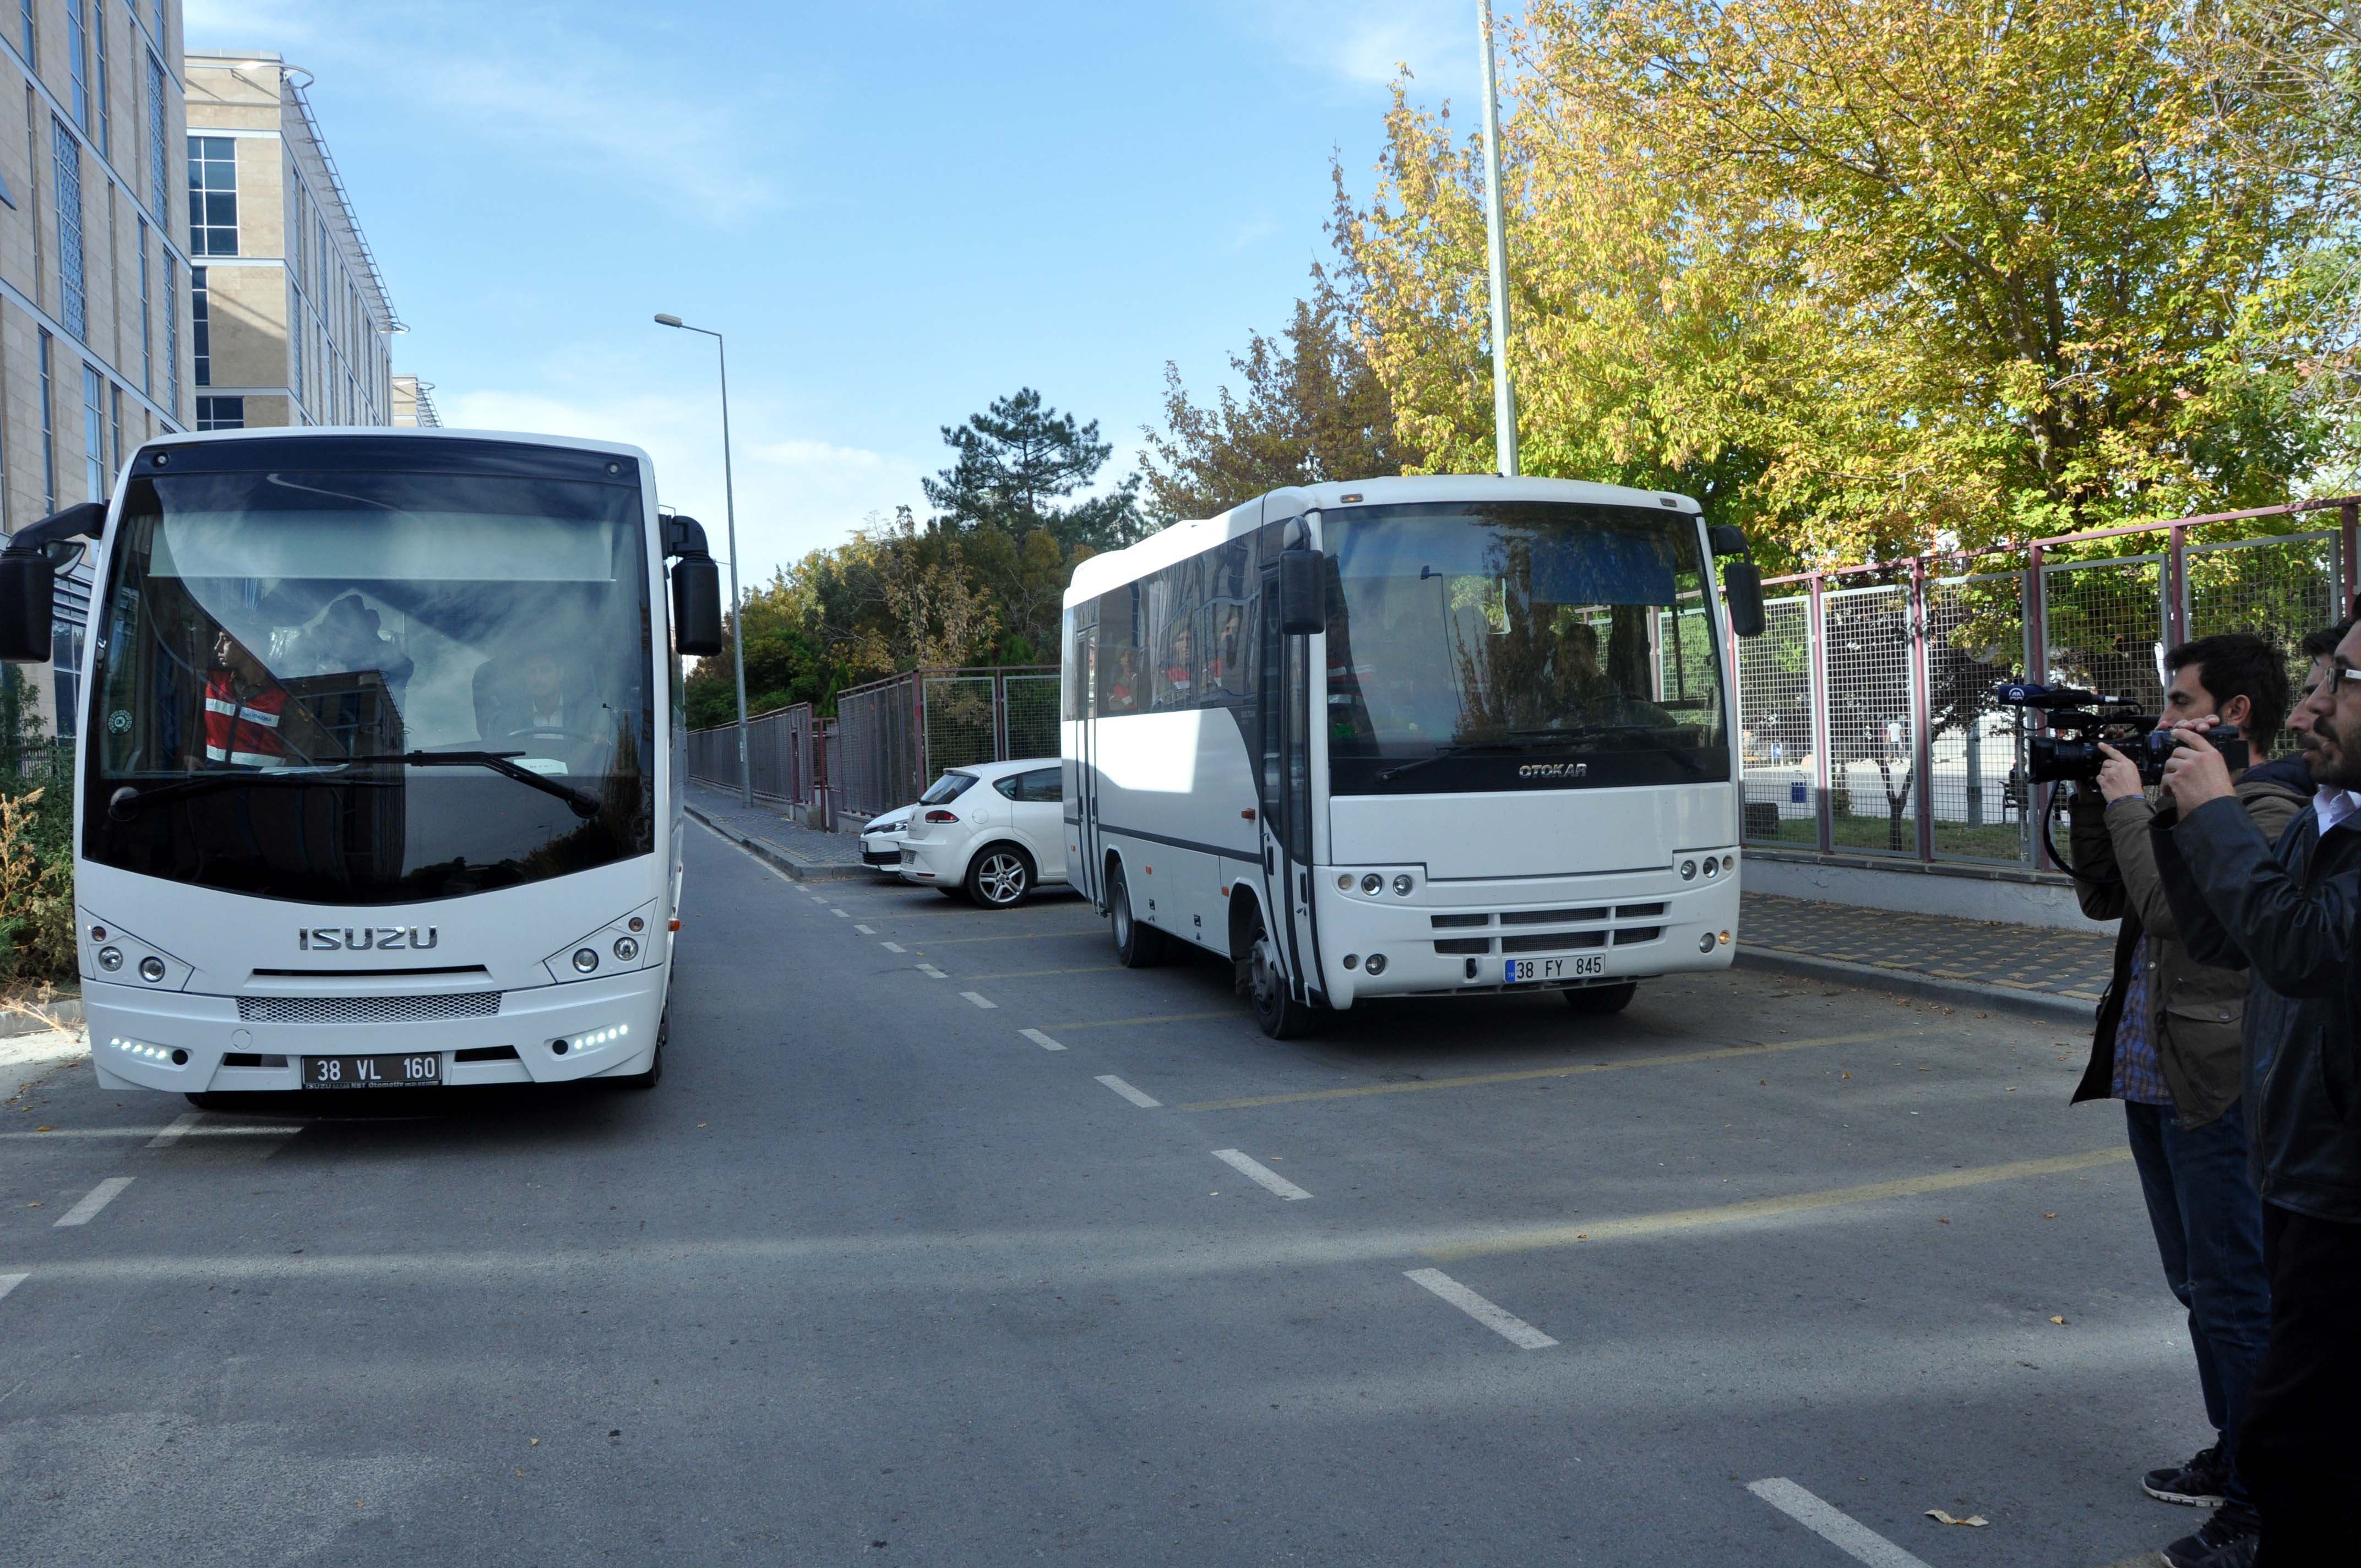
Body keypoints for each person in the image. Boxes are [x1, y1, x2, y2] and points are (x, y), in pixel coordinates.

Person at [2066, 633, 2302, 1568]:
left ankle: (2257, 1501)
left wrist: (2133, 804)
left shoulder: (2260, 807)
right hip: (2149, 1069)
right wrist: (2093, 793)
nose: (2161, 720)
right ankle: (2231, 1448)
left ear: (2230, 712)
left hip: (2211, 1078)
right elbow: (2102, 895)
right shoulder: (2178, 795)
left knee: (2236, 1292)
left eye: (2175, 703)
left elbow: (2170, 908)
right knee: (2195, 1286)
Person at [2152, 609, 2361, 1566]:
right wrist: (2170, 812)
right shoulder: (2329, 816)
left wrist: (2215, 811)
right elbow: (2224, 936)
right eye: (2317, 676)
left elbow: (2300, 945)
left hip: (2339, 1187)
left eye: (2340, 682)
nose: (2311, 702)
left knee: (2296, 1446)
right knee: (2299, 1442)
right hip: (2296, 1167)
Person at [194, 629, 292, 770]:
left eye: (226, 640)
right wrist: (192, 753)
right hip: (212, 785)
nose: (217, 647)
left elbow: (297, 762)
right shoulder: (213, 683)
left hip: (265, 788)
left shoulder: (284, 697)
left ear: (251, 645)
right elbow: (194, 722)